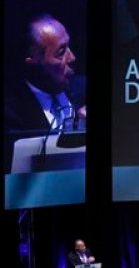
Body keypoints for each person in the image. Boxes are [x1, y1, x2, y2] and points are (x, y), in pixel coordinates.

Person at [4, 14, 86, 172]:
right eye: (61, 52)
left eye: (69, 47)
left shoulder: (83, 90)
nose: (72, 57)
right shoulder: (11, 114)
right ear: (33, 62)